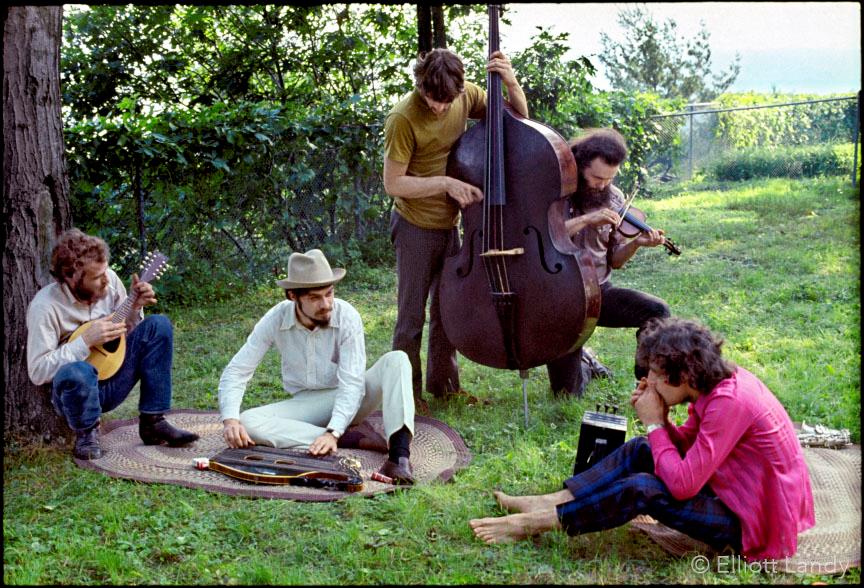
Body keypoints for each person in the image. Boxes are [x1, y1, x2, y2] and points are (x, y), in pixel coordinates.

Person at [470, 317, 815, 561]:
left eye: (654, 374)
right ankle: (551, 501)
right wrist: (662, 422)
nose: (648, 381)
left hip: (753, 523)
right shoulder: (713, 387)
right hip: (736, 490)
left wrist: (653, 423)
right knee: (641, 448)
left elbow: (681, 486)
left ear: (684, 375)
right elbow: (688, 448)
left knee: (643, 488)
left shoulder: (730, 401)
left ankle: (538, 522)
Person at [383, 47, 529, 413]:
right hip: (415, 225)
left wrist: (510, 81)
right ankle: (407, 397)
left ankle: (445, 387)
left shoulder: (465, 95)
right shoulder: (402, 117)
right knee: (411, 318)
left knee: (448, 309)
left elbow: (519, 120)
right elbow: (394, 184)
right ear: (420, 84)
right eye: (432, 99)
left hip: (451, 225)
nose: (439, 108)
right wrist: (446, 184)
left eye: (446, 101)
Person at [218, 249, 417, 484]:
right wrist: (230, 419)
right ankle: (354, 439)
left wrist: (334, 430)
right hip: (307, 404)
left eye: (329, 294)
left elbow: (352, 382)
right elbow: (238, 370)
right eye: (315, 298)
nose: (326, 304)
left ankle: (399, 458)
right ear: (293, 296)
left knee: (397, 359)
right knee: (247, 422)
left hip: (354, 397)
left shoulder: (347, 316)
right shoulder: (276, 318)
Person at [26, 228, 199, 460]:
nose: (106, 281)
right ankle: (87, 435)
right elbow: (38, 371)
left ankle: (153, 421)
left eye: (106, 271)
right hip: (76, 394)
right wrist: (85, 341)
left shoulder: (110, 281)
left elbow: (126, 337)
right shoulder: (45, 307)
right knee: (77, 370)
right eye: (97, 277)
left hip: (115, 377)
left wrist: (135, 308)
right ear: (71, 276)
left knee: (158, 326)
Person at [546, 128, 671, 398]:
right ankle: (586, 362)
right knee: (566, 394)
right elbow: (544, 234)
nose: (603, 185)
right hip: (559, 298)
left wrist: (636, 244)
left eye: (610, 178)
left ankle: (646, 385)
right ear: (579, 166)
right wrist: (587, 219)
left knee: (657, 311)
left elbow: (615, 260)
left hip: (599, 291)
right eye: (596, 177)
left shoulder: (614, 198)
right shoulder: (557, 191)